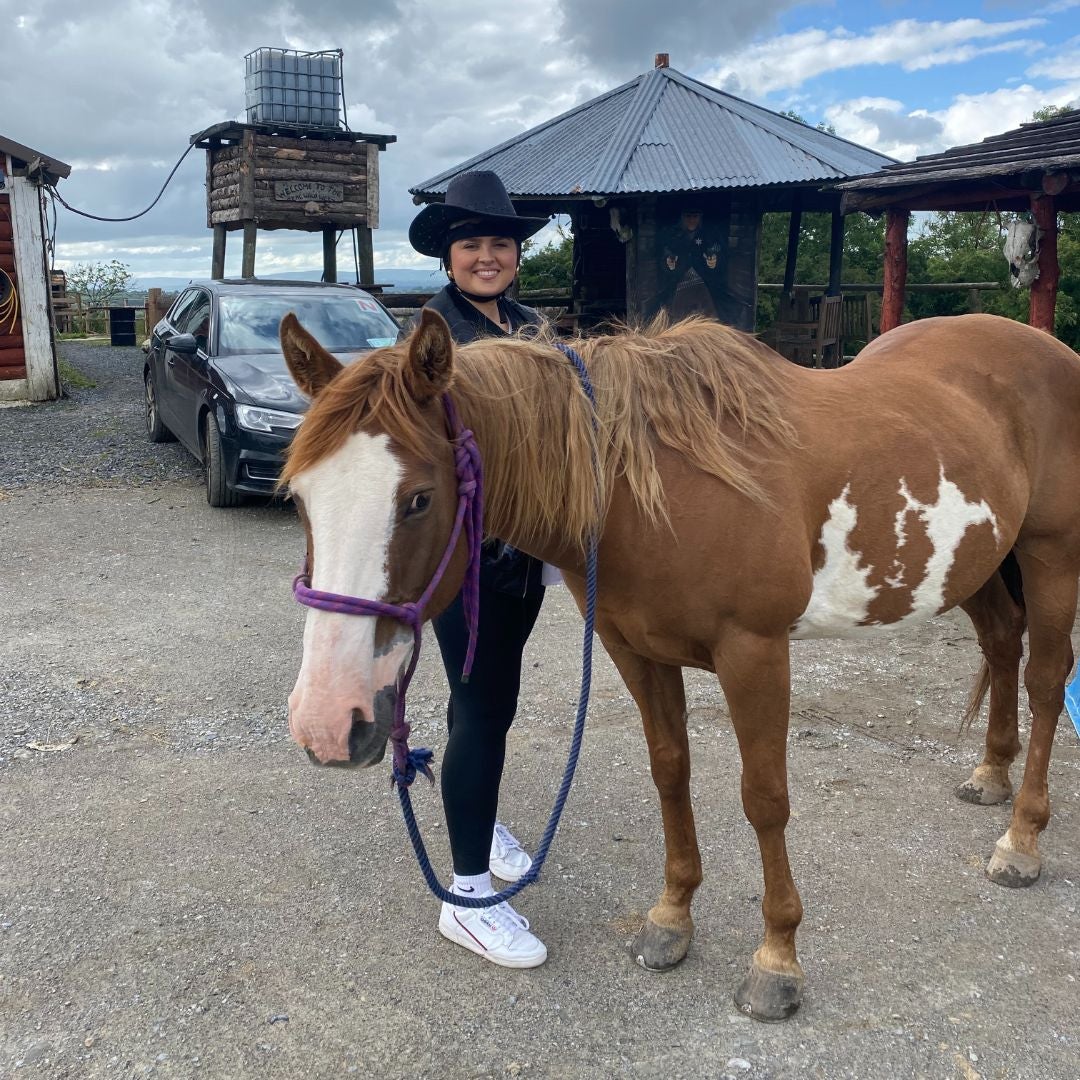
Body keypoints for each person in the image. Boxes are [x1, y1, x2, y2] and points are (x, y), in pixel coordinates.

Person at [408, 171, 554, 968]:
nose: (488, 256)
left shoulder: (533, 325)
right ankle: (466, 896)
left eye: (500, 243)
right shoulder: (434, 338)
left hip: (526, 552)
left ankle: (480, 813)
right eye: (472, 245)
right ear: (450, 256)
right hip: (470, 556)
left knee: (490, 698)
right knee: (484, 700)